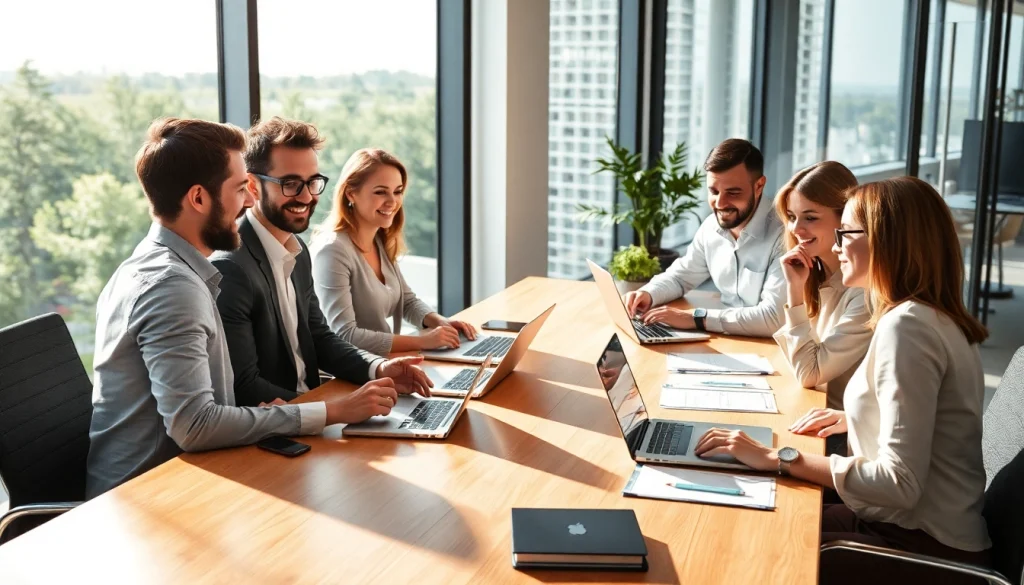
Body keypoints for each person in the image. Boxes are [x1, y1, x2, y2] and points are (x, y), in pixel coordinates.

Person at [693, 177, 992, 585]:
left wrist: (778, 457)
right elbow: (933, 418)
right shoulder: (926, 317)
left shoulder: (907, 329)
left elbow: (898, 484)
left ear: (889, 241)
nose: (835, 247)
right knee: (759, 507)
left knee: (757, 547)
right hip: (904, 524)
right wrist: (856, 418)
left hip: (923, 546)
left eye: (846, 233)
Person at [86, 118, 405, 499]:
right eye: (240, 189)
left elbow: (211, 405)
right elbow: (196, 425)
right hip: (150, 496)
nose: (250, 200)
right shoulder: (173, 287)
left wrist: (277, 414)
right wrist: (330, 412)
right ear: (199, 199)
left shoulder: (158, 265)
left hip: (191, 477)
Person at [211, 118, 433, 407]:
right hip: (280, 426)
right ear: (252, 186)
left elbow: (320, 337)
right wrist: (333, 411)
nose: (306, 196)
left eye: (313, 182)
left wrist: (377, 368)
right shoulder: (231, 268)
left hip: (316, 404)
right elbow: (244, 385)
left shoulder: (297, 249)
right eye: (290, 184)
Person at [309, 148, 476, 355]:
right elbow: (345, 335)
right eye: (380, 192)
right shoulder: (332, 251)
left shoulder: (379, 239)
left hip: (383, 364)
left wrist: (442, 322)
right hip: (347, 375)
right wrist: (423, 341)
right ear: (351, 193)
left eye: (397, 191)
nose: (392, 201)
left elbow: (406, 301)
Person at [623, 138, 785, 338]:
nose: (720, 203)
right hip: (727, 337)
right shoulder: (711, 227)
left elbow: (773, 318)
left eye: (733, 192)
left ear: (759, 186)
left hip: (769, 348)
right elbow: (681, 277)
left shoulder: (784, 235)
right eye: (713, 191)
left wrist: (696, 319)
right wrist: (648, 294)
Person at [771, 161, 871, 411]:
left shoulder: (864, 292)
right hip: (816, 409)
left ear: (845, 220)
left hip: (841, 431)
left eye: (811, 217)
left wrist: (794, 292)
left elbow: (809, 373)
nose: (796, 229)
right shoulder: (815, 273)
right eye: (792, 217)